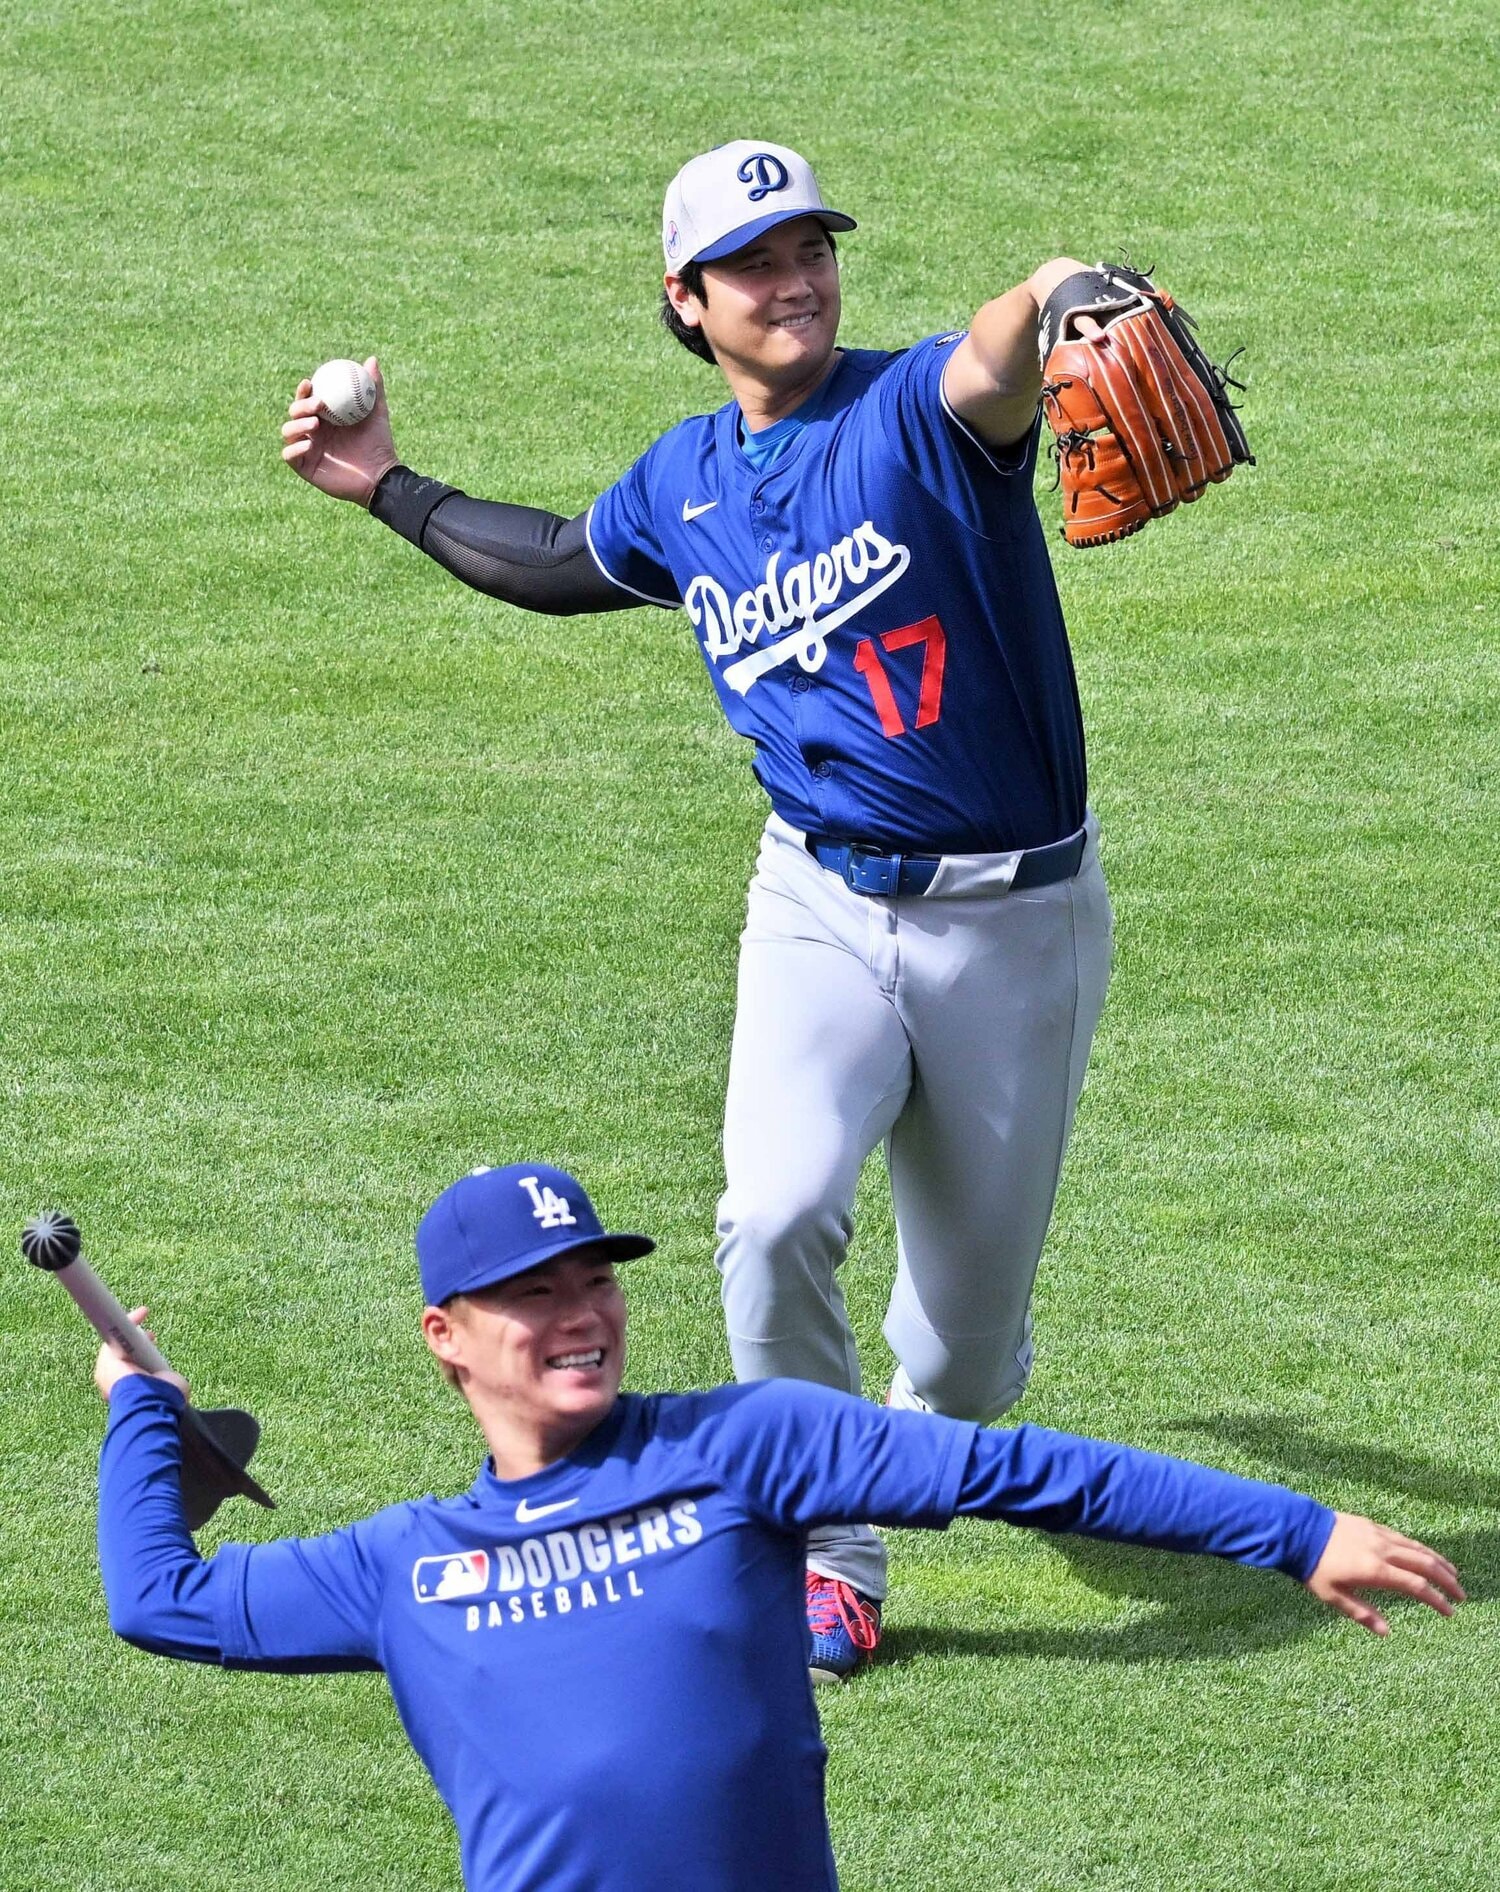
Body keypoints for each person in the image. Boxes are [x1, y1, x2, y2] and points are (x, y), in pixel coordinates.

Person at [283, 141, 1143, 1674]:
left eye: (811, 248)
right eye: (754, 263)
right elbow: (555, 561)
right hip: (815, 902)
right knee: (770, 1215)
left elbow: (1000, 359)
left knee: (957, 1369)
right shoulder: (685, 482)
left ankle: (940, 1400)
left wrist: (1062, 290)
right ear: (687, 302)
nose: (794, 280)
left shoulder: (912, 416)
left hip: (1016, 929)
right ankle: (823, 1549)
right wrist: (384, 489)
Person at [98, 1162, 1462, 1892]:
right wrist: (143, 1410)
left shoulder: (745, 1444)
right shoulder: (402, 1566)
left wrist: (1293, 1528)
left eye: (596, 1277)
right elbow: (161, 1598)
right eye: (533, 1293)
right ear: (446, 1338)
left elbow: (1026, 1474)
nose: (582, 1310)